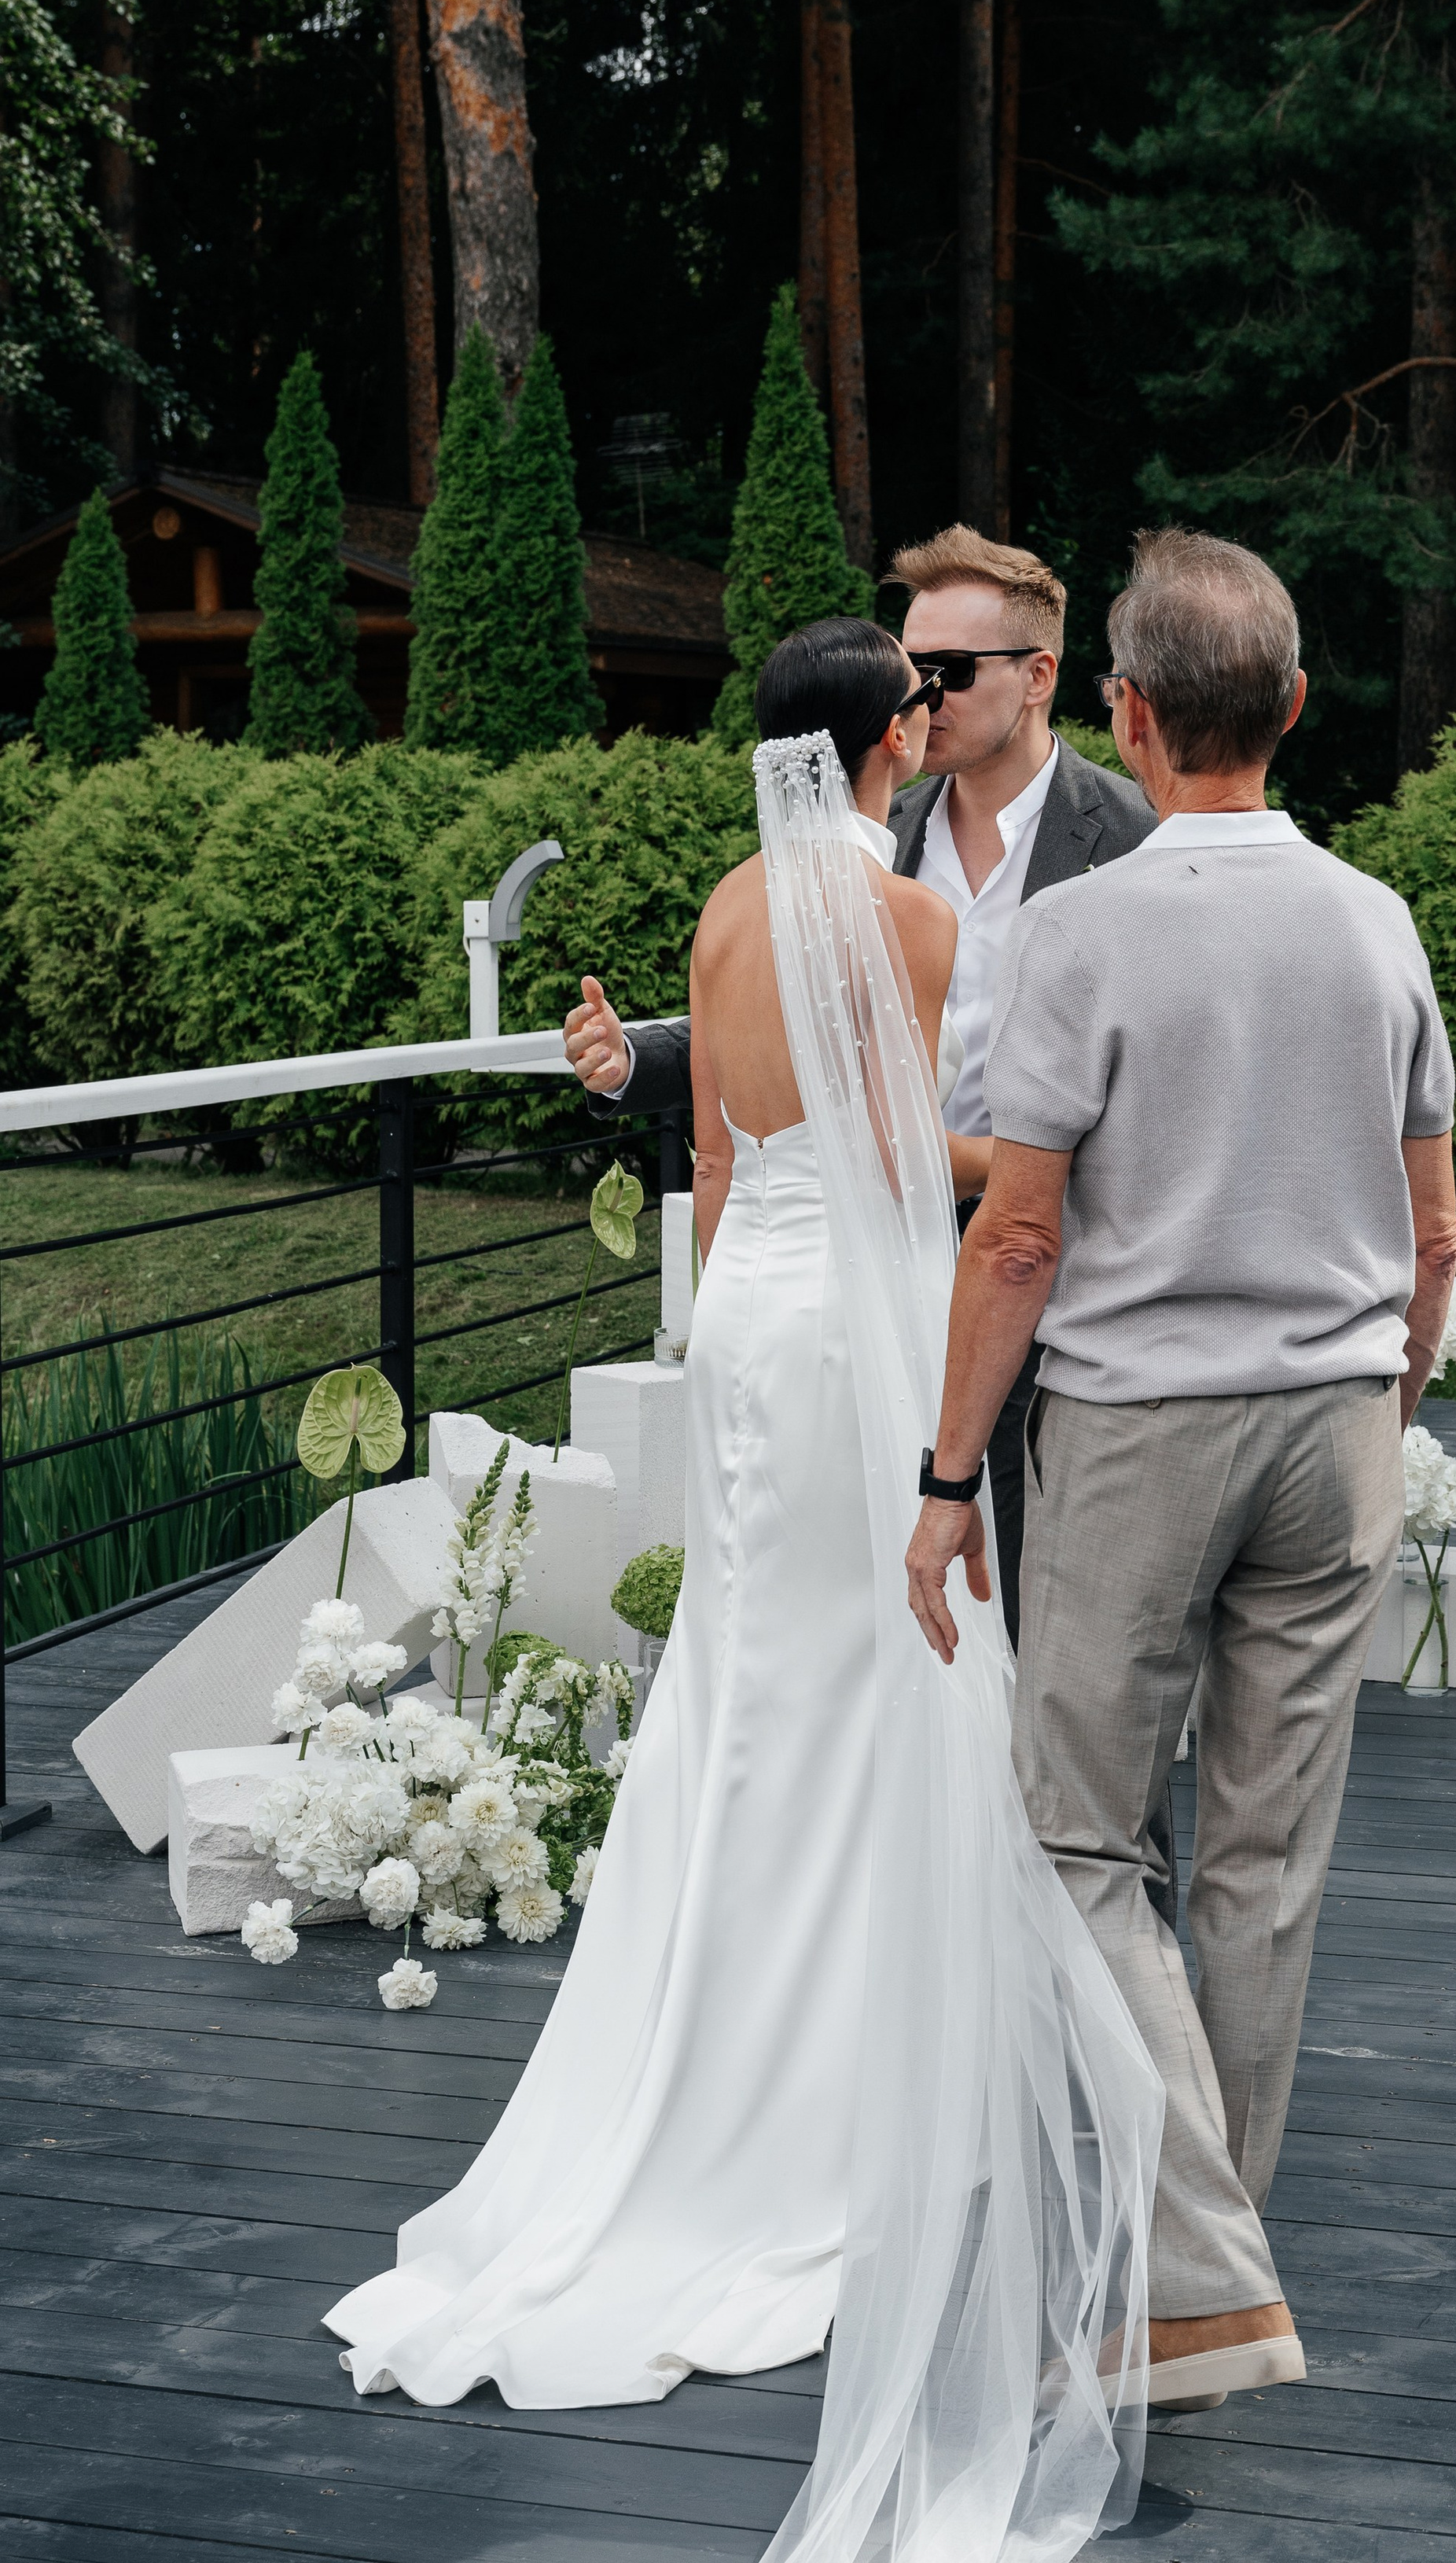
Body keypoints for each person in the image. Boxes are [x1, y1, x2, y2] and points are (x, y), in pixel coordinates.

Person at [327, 618, 1162, 2563]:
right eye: (915, 705)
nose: (929, 721)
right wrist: (1056, 1155)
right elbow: (915, 1170)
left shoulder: (719, 913)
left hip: (741, 1325)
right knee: (879, 1673)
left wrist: (731, 1325)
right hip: (855, 1321)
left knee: (747, 1685)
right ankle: (834, 2089)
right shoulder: (907, 923)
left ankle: (725, 2043)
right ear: (882, 740)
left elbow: (716, 1159)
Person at [903, 530, 1456, 2416]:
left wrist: (946, 1477)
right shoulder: (1377, 922)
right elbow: (1434, 1232)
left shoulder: (1078, 932)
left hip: (1142, 1428)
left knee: (1073, 1839)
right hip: (1336, 1422)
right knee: (1262, 1865)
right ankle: (1200, 2288)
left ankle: (1203, 2285)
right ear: (1290, 705)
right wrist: (1380, 1406)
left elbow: (1016, 1236)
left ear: (1125, 714)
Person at [564, 528, 1156, 1644]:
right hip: (879, 1272)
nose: (926, 693)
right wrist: (638, 1057)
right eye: (913, 669)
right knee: (878, 1604)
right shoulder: (883, 833)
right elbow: (794, 1030)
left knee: (1057, 1619)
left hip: (1070, 1270)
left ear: (1038, 677)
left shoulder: (1133, 835)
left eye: (951, 670)